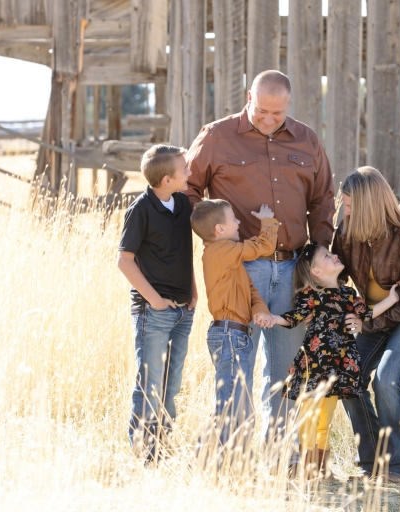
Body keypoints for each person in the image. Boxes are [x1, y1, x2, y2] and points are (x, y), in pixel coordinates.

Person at [185, 70, 336, 463]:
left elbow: (322, 199)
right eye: (262, 111)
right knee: (237, 369)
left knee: (284, 373)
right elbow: (188, 190)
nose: (269, 120)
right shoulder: (217, 136)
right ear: (248, 97)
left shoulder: (307, 139)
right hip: (240, 271)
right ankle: (229, 458)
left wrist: (318, 252)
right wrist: (212, 247)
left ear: (289, 105)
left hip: (292, 270)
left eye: (278, 113)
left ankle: (280, 459)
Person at [263, 243, 400, 480]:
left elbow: (366, 313)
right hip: (314, 365)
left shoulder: (348, 294)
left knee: (325, 419)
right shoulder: (311, 295)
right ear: (316, 272)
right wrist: (274, 318)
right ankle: (308, 468)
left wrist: (392, 299)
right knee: (310, 418)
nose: (334, 255)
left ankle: (322, 469)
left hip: (338, 365)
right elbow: (295, 317)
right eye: (327, 256)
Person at [331, 166, 400, 483]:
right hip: (373, 317)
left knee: (387, 381)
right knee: (346, 377)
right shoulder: (347, 231)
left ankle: (395, 468)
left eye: (349, 205)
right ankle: (372, 462)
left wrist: (368, 321)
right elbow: (335, 276)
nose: (343, 211)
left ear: (369, 204)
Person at [117, 144, 198, 463]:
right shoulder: (140, 209)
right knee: (149, 382)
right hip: (154, 312)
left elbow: (185, 251)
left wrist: (192, 292)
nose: (189, 173)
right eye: (184, 170)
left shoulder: (182, 203)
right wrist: (156, 301)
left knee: (171, 384)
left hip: (183, 311)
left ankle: (162, 447)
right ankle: (143, 454)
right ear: (167, 179)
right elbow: (124, 261)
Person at [190, 199, 278, 457]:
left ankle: (224, 460)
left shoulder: (228, 256)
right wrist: (268, 221)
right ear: (220, 229)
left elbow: (251, 291)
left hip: (236, 334)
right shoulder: (222, 250)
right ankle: (208, 460)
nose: (239, 223)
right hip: (229, 334)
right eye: (234, 219)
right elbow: (264, 246)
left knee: (236, 403)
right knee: (229, 402)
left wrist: (260, 310)